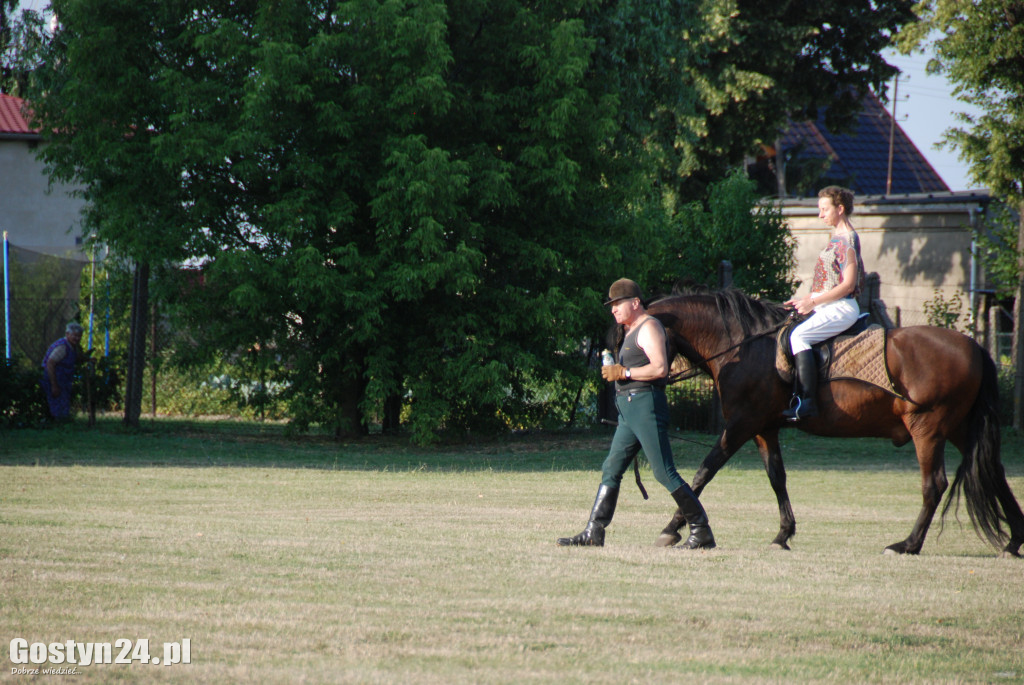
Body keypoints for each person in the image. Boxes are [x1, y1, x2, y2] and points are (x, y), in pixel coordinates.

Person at [557, 278, 715, 549]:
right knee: (611, 468)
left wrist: (624, 372)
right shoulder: (629, 331)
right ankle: (594, 531)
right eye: (612, 305)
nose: (613, 310)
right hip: (629, 412)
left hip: (645, 406)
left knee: (664, 472)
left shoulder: (649, 327)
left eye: (617, 304)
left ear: (635, 302)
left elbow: (660, 369)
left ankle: (701, 531)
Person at [782, 186, 865, 421]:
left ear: (840, 209)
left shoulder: (847, 240)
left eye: (824, 209)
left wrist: (812, 301)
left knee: (799, 337)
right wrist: (804, 300)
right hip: (826, 305)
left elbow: (848, 285)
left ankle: (808, 403)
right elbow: (829, 282)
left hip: (842, 308)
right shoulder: (836, 238)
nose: (820, 215)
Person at [40, 322, 88, 421]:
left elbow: (76, 357)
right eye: (74, 335)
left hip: (64, 380)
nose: (77, 338)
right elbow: (50, 363)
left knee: (64, 403)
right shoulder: (62, 347)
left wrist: (87, 359)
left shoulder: (72, 346)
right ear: (67, 334)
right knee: (57, 404)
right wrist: (54, 385)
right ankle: (59, 425)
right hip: (55, 379)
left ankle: (63, 423)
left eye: (79, 336)